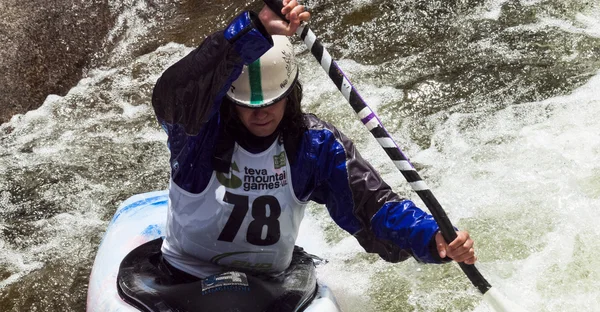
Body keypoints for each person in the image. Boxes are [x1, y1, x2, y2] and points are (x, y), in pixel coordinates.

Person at [151, 0, 476, 280]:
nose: (261, 114)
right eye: (249, 105)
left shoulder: (315, 145)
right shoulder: (198, 131)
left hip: (269, 286)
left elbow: (374, 210)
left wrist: (431, 236)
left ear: (291, 94)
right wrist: (254, 29)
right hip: (186, 275)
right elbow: (172, 96)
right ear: (230, 101)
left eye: (271, 102)